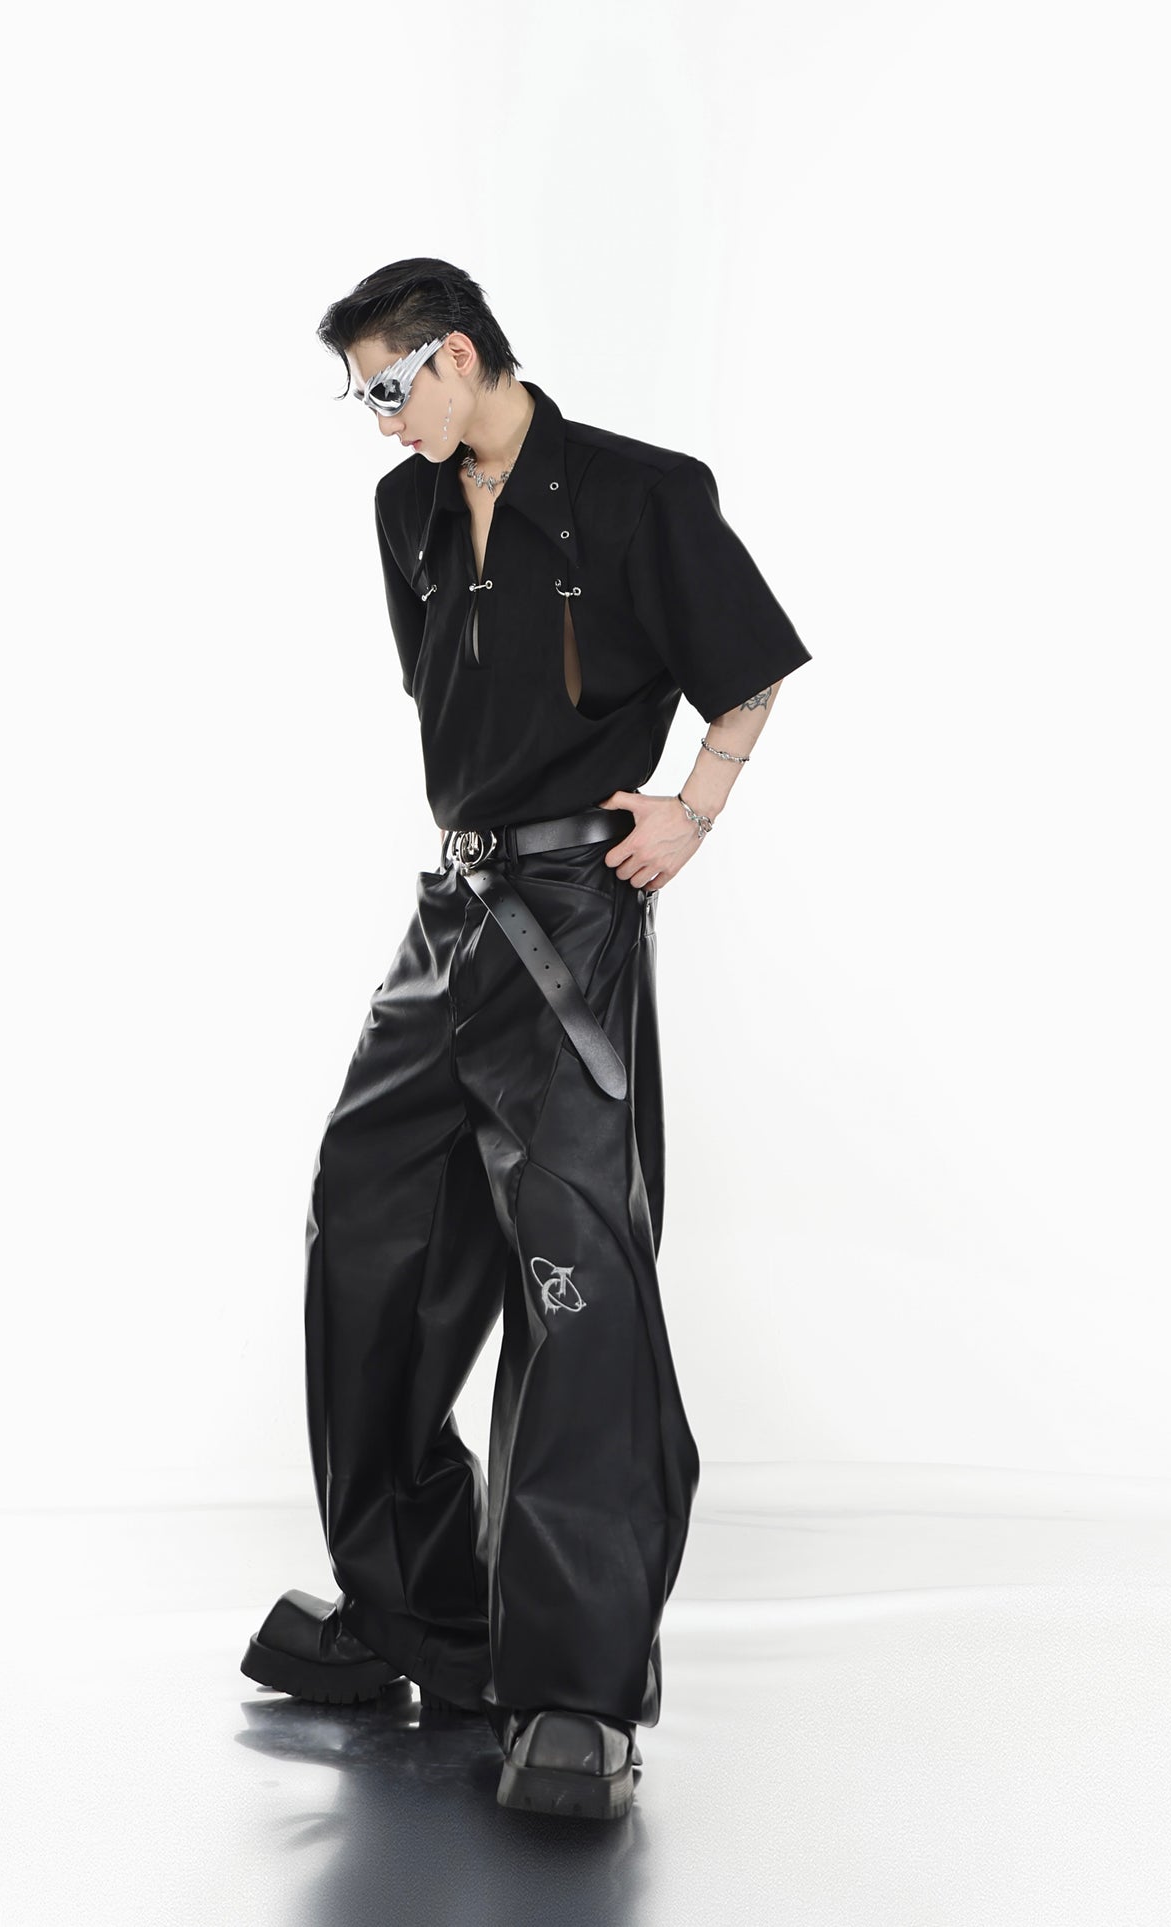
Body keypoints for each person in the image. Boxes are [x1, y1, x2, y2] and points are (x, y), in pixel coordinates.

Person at [241, 257, 812, 1823]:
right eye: (360, 397)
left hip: (572, 920)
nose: (377, 423)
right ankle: (422, 1614)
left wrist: (692, 808)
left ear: (455, 354)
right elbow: (450, 706)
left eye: (386, 387)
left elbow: (747, 669)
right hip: (454, 912)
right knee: (364, 1228)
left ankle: (571, 1688)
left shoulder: (639, 492)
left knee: (576, 1282)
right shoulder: (406, 514)